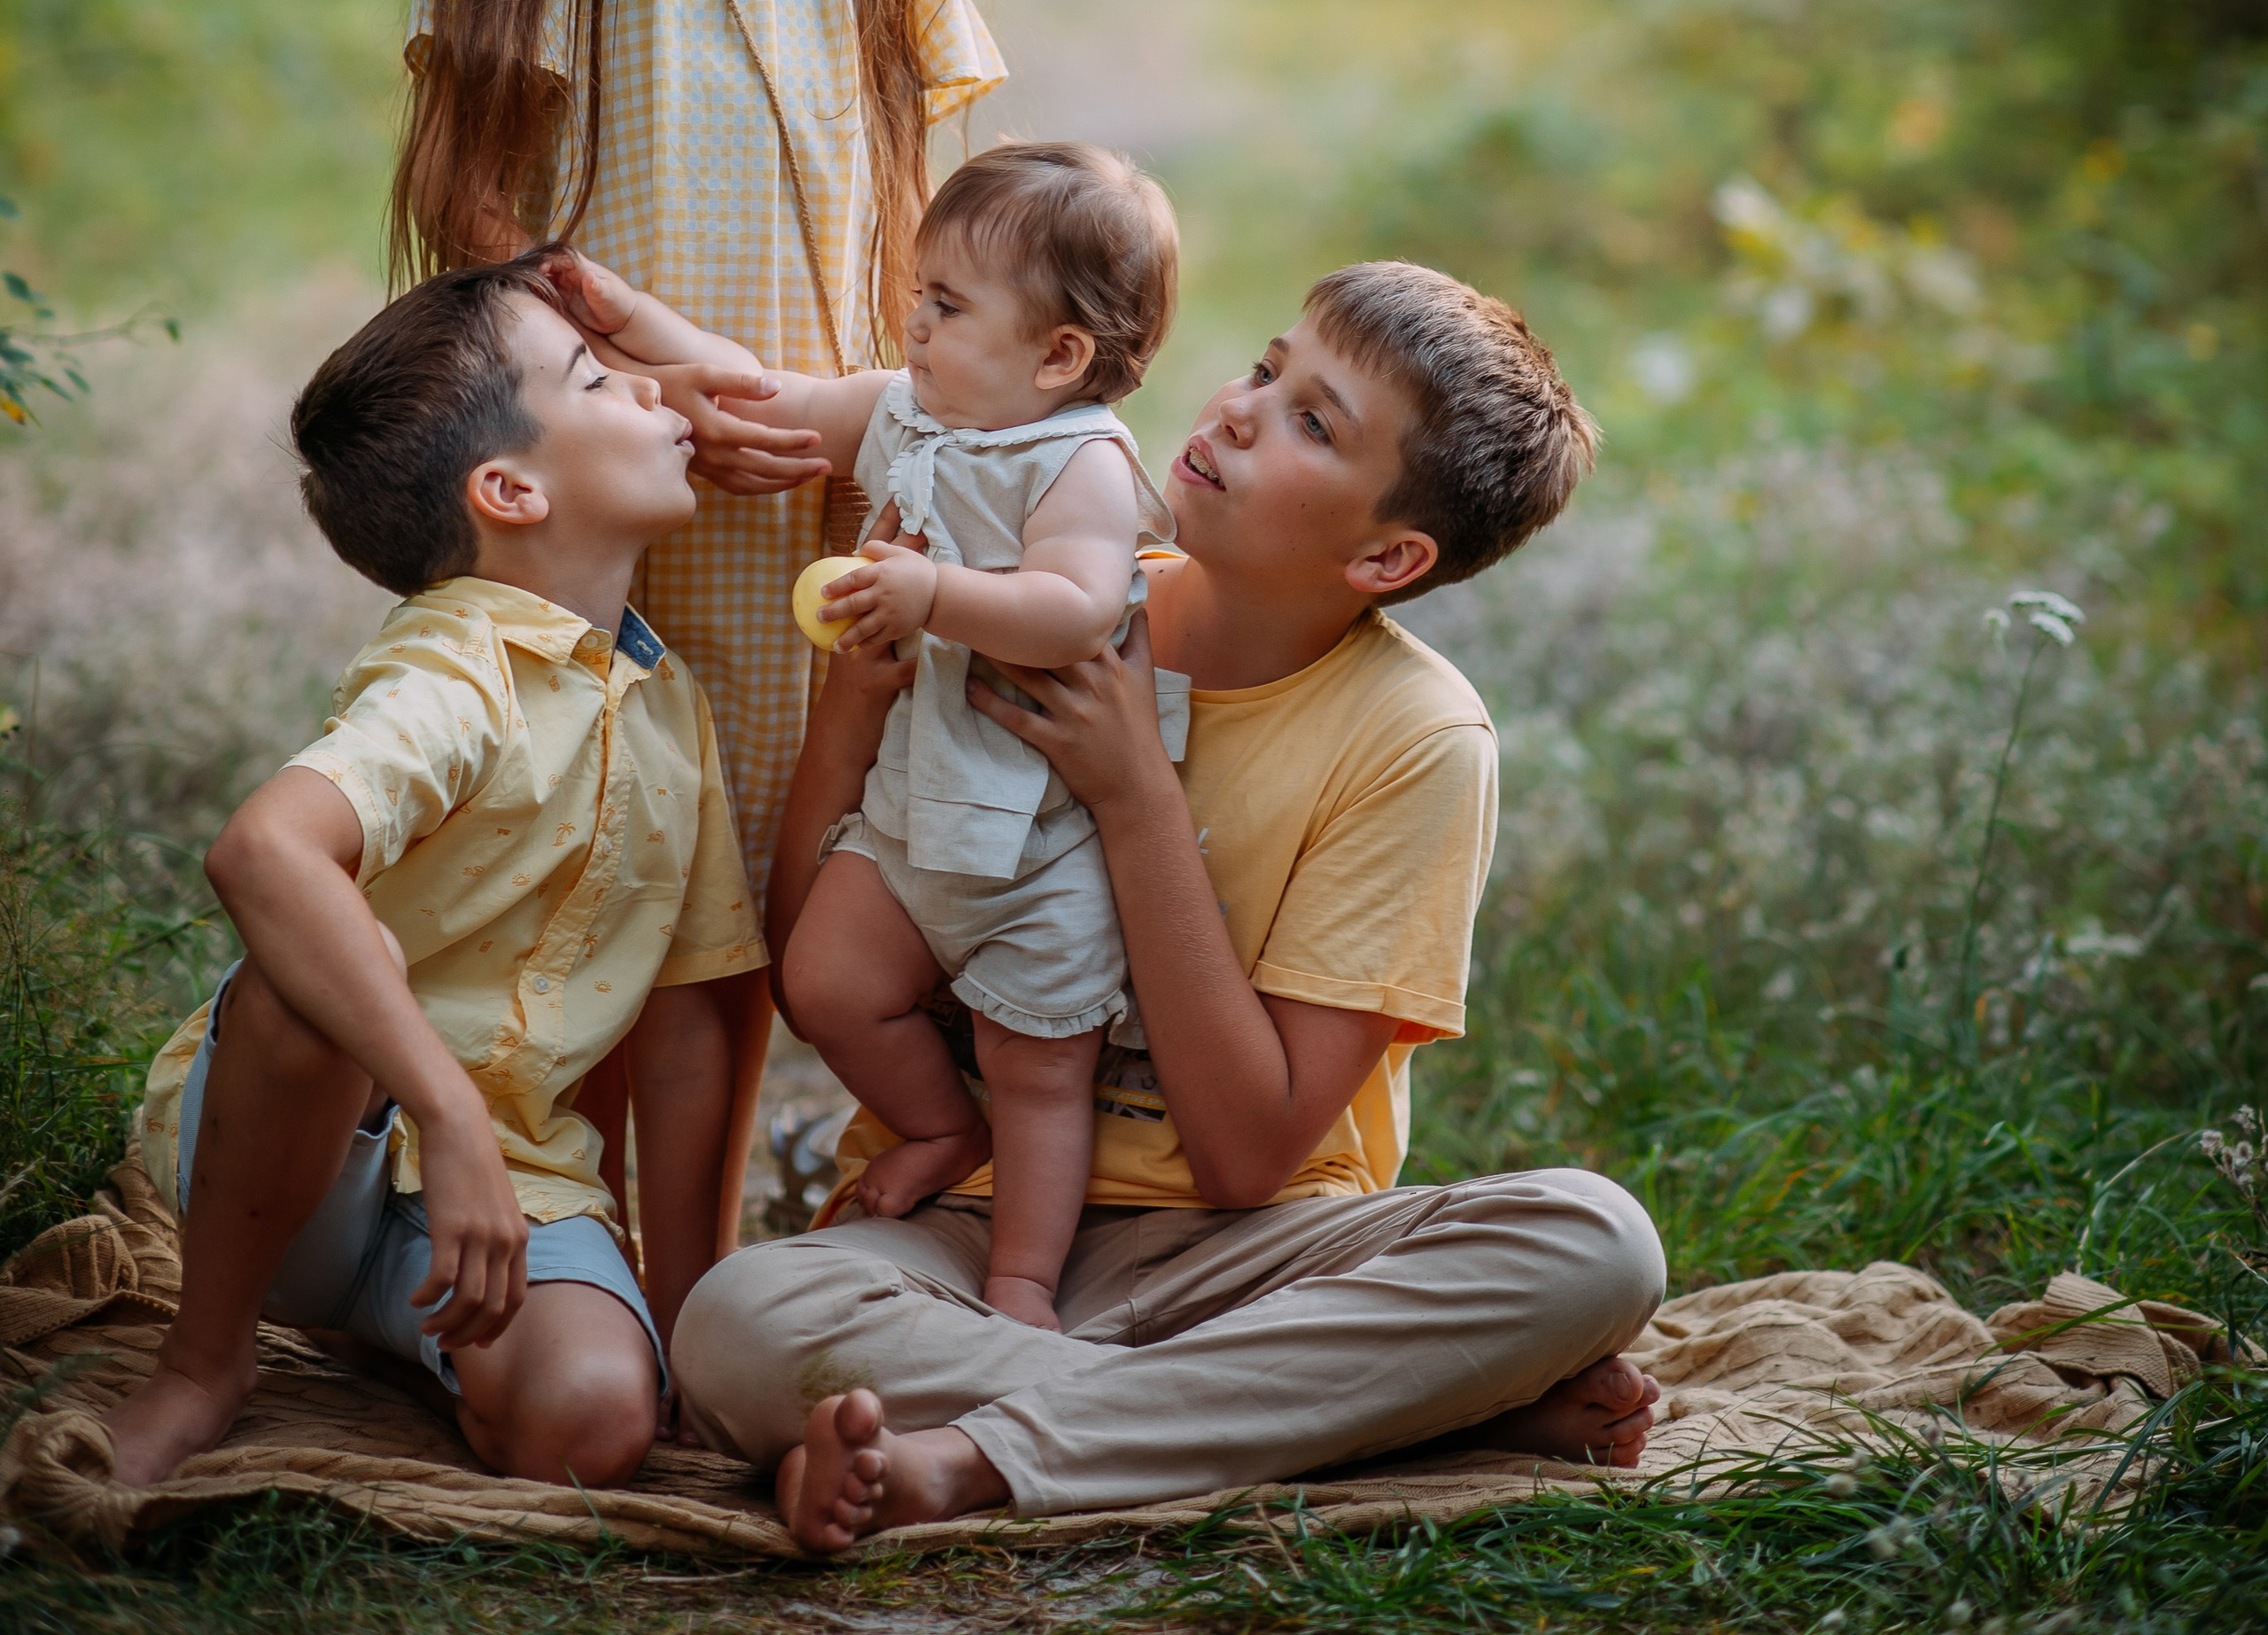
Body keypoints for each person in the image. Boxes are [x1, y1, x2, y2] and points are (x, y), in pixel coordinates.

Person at [668, 261, 1668, 1552]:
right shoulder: (1027, 600)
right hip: (976, 1234)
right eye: (1266, 369)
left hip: (1254, 1259)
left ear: (1387, 554)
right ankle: (1392, 1422)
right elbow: (822, 967)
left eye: (1315, 421)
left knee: (1596, 1244)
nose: (1242, 411)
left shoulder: (1418, 739)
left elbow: (1252, 1153)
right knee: (739, 1325)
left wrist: (1136, 794)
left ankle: (973, 1458)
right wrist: (855, 708)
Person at [389, 0, 1004, 1218]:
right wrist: (642, 374)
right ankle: (518, 1188)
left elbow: (920, 190)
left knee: (761, 866)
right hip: (628, 456)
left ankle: (705, 1266)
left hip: (812, 438)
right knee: (615, 852)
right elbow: (478, 204)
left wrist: (860, 397)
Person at [107, 257, 763, 1492]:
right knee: (321, 991)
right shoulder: (453, 670)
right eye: (598, 378)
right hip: (307, 1161)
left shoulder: (670, 709)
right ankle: (203, 1366)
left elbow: (680, 1044)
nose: (650, 388)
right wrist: (448, 1115)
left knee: (595, 1428)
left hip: (510, 1199)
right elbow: (261, 849)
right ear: (510, 488)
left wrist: (685, 1338)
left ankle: (434, 1350)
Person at [559, 143, 1181, 1331]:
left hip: (1038, 846)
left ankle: (1020, 1284)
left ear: (1060, 356)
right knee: (826, 982)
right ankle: (944, 1129)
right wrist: (630, 318)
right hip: (909, 814)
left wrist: (935, 597)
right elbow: (771, 395)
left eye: (947, 306)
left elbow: (1078, 608)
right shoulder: (909, 412)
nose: (914, 323)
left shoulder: (1079, 462)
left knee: (1039, 1069)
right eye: (920, 293)